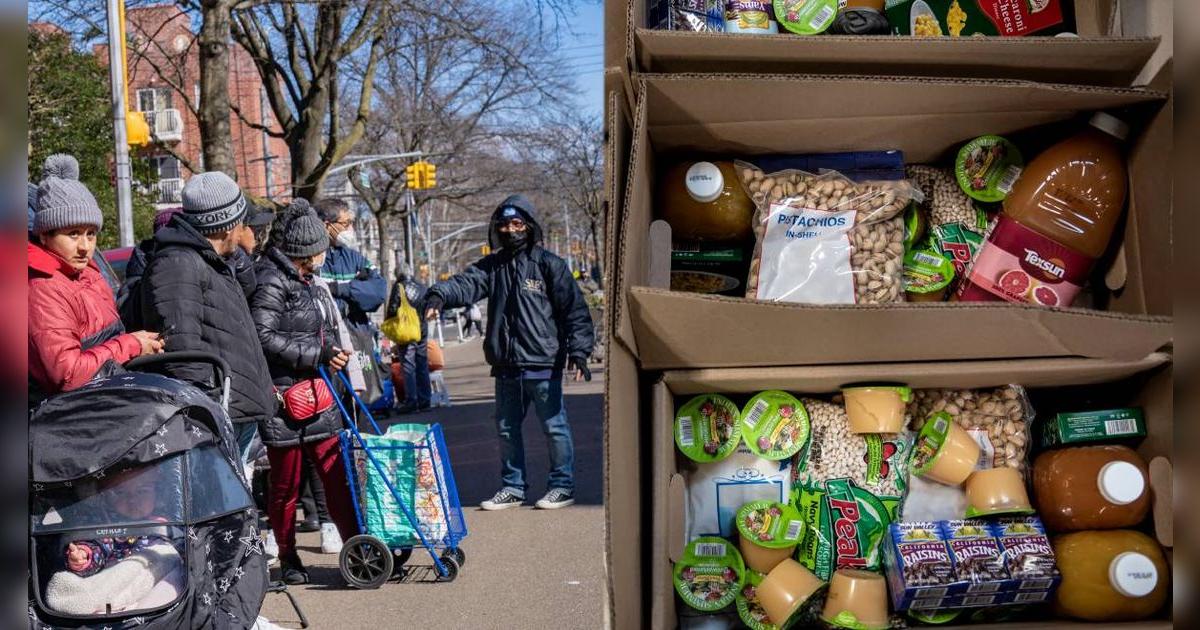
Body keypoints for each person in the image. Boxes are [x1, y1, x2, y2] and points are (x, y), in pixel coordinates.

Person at [424, 195, 595, 510]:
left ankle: (562, 485)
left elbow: (575, 311)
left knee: (555, 427)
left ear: (529, 226)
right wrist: (438, 296)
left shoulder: (550, 265)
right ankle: (513, 487)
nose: (510, 229)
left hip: (543, 363)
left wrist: (580, 351)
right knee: (506, 429)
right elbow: (464, 284)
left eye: (517, 224)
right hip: (506, 366)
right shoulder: (492, 267)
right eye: (503, 224)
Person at [250, 200, 359, 585]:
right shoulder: (271, 278)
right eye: (321, 250)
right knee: (285, 485)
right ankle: (288, 554)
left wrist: (332, 355)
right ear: (305, 251)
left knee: (335, 475)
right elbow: (261, 336)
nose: (326, 255)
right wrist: (318, 354)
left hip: (319, 393)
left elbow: (318, 329)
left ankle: (356, 547)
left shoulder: (307, 280)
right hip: (285, 399)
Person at [137, 172, 276, 466]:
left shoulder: (211, 262)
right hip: (216, 417)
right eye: (241, 225)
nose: (242, 234)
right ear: (226, 227)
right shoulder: (178, 263)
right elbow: (180, 348)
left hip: (234, 411)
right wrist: (209, 410)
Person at [28, 168, 164, 403]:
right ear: (44, 236)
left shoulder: (87, 273)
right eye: (73, 234)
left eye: (91, 234)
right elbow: (67, 374)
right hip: (71, 420)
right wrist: (130, 344)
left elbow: (104, 341)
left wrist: (138, 341)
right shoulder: (43, 286)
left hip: (100, 404)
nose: (85, 246)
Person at [385, 265, 432, 413]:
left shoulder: (399, 287)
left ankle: (411, 401)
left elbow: (392, 309)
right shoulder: (421, 286)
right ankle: (425, 401)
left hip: (407, 331)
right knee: (422, 364)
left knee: (408, 366)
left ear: (398, 274)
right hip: (422, 329)